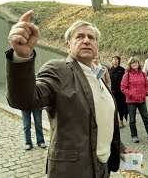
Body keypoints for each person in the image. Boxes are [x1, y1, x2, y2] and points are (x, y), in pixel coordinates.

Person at [6, 10, 121, 178]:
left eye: (91, 37)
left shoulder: (99, 75)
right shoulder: (58, 69)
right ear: (68, 46)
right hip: (73, 170)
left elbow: (103, 118)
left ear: (97, 47)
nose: (86, 40)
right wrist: (21, 57)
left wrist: (119, 147)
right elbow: (25, 100)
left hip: (103, 168)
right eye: (80, 36)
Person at [121, 57, 148, 143]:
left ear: (138, 64)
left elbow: (147, 85)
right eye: (132, 63)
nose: (134, 64)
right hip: (131, 101)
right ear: (130, 65)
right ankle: (134, 136)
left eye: (136, 63)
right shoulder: (127, 75)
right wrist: (131, 95)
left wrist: (145, 93)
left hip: (142, 100)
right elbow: (123, 87)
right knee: (132, 120)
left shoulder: (142, 74)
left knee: (146, 118)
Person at [109, 56, 128, 128]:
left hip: (121, 92)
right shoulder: (110, 69)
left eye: (116, 59)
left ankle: (121, 122)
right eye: (113, 59)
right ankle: (115, 122)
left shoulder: (122, 70)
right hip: (112, 92)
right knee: (114, 107)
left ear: (119, 61)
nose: (114, 61)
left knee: (121, 107)